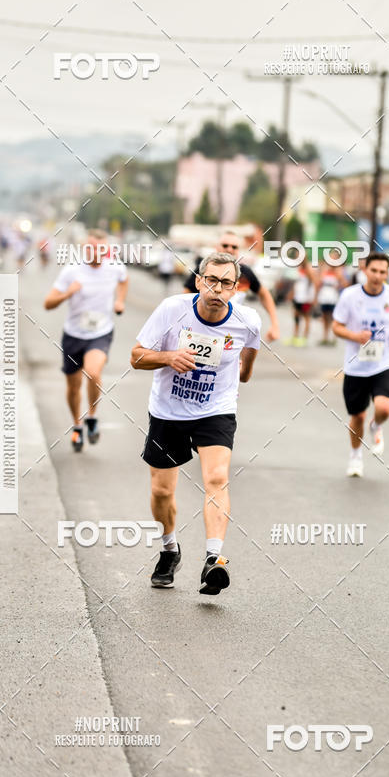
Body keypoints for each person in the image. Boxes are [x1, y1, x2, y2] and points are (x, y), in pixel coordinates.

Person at [131, 252, 261, 595]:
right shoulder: (172, 310)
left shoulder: (248, 321)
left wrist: (238, 373)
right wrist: (169, 357)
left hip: (214, 409)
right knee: (162, 491)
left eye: (226, 283)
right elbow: (136, 356)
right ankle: (169, 549)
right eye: (212, 280)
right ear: (199, 281)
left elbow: (247, 364)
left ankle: (213, 559)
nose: (217, 289)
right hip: (168, 411)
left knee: (217, 477)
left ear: (236, 288)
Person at [44, 230, 128, 451]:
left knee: (93, 372)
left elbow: (124, 280)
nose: (97, 253)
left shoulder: (115, 267)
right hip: (73, 334)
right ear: (84, 248)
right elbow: (48, 303)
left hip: (100, 332)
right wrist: (67, 294)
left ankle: (91, 417)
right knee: (73, 387)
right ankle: (77, 425)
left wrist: (119, 301)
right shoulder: (71, 271)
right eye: (91, 248)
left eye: (102, 248)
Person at [332, 252, 389, 477]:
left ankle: (377, 425)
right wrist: (355, 336)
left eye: (383, 272)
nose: (378, 276)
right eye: (374, 271)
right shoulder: (350, 295)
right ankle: (355, 456)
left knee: (384, 407)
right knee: (358, 416)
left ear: (387, 273)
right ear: (365, 270)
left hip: (384, 362)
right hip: (356, 365)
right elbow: (337, 326)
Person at [183, 231, 280, 342]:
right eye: (225, 245)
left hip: (231, 332)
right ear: (216, 247)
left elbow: (264, 294)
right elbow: (185, 296)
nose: (229, 249)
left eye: (234, 247)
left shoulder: (246, 273)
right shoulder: (205, 270)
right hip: (202, 328)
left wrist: (275, 325)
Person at [314, 252, 347, 344]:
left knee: (333, 318)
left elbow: (344, 284)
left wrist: (338, 274)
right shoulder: (324, 269)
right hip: (324, 296)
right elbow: (318, 283)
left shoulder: (339, 270)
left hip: (334, 297)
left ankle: (334, 338)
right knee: (324, 317)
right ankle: (325, 337)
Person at [288, 259, 315, 346]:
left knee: (306, 317)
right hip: (298, 297)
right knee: (296, 316)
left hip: (306, 298)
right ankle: (295, 336)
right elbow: (296, 283)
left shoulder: (309, 269)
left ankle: (304, 338)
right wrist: (292, 293)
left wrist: (312, 298)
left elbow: (313, 282)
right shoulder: (299, 269)